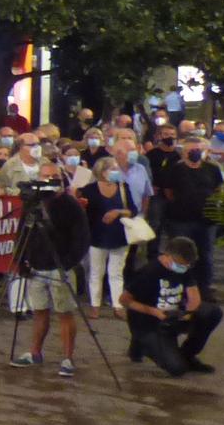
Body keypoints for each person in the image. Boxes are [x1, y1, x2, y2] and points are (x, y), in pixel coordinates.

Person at [9, 168, 91, 378]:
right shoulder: (32, 204)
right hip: (36, 265)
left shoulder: (70, 205)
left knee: (64, 312)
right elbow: (22, 232)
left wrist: (68, 263)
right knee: (39, 310)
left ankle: (67, 358)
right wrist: (21, 260)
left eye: (52, 177)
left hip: (60, 266)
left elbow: (81, 238)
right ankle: (35, 352)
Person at [121, 236, 222, 376]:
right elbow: (125, 300)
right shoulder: (149, 272)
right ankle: (143, 344)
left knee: (211, 312)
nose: (183, 268)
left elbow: (194, 295)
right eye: (180, 265)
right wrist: (154, 312)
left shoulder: (185, 269)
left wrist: (188, 313)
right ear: (167, 257)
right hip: (149, 322)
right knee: (176, 369)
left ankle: (188, 354)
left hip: (173, 316)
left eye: (187, 265)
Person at [158, 136, 224, 288]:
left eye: (198, 150)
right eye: (191, 150)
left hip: (206, 220)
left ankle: (204, 288)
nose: (194, 153)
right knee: (180, 254)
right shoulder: (175, 168)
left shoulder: (213, 169)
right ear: (183, 152)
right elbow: (168, 191)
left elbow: (218, 189)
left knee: (205, 255)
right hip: (181, 220)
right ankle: (178, 286)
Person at [81, 162, 135, 315]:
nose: (117, 172)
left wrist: (118, 212)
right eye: (113, 169)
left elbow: (133, 210)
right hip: (97, 236)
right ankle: (95, 305)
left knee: (116, 272)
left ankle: (117, 305)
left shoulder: (124, 188)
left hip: (119, 236)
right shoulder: (90, 189)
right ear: (102, 171)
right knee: (96, 272)